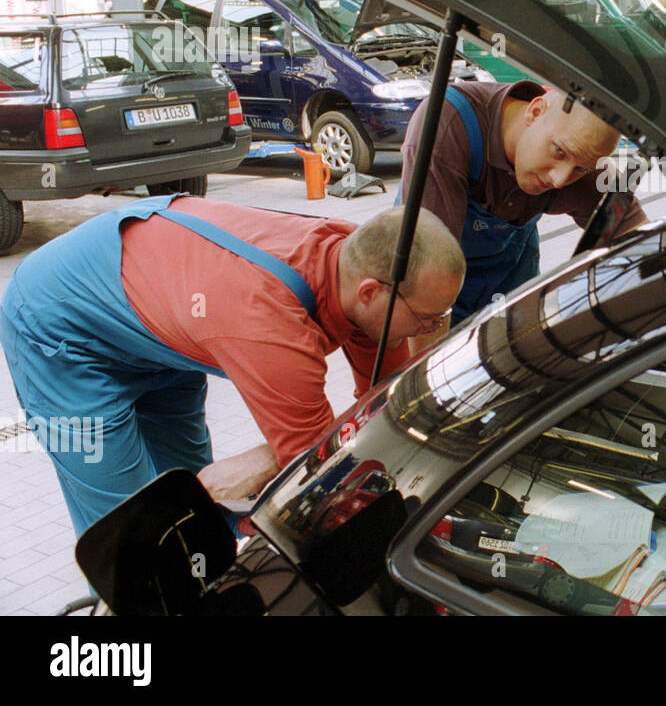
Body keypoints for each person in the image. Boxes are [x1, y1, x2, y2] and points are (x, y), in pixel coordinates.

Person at [0, 197, 464, 537]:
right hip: (60, 325)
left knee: (194, 507)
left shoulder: (354, 257)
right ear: (370, 293)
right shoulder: (272, 327)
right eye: (428, 318)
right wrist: (270, 461)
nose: (432, 328)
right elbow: (318, 472)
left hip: (160, 318)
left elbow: (385, 402)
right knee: (132, 529)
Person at [400, 80, 646, 324]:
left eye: (581, 169)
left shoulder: (584, 157)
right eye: (559, 151)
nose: (560, 180)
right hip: (431, 287)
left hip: (510, 289)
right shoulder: (448, 125)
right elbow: (425, 282)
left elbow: (644, 245)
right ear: (535, 111)